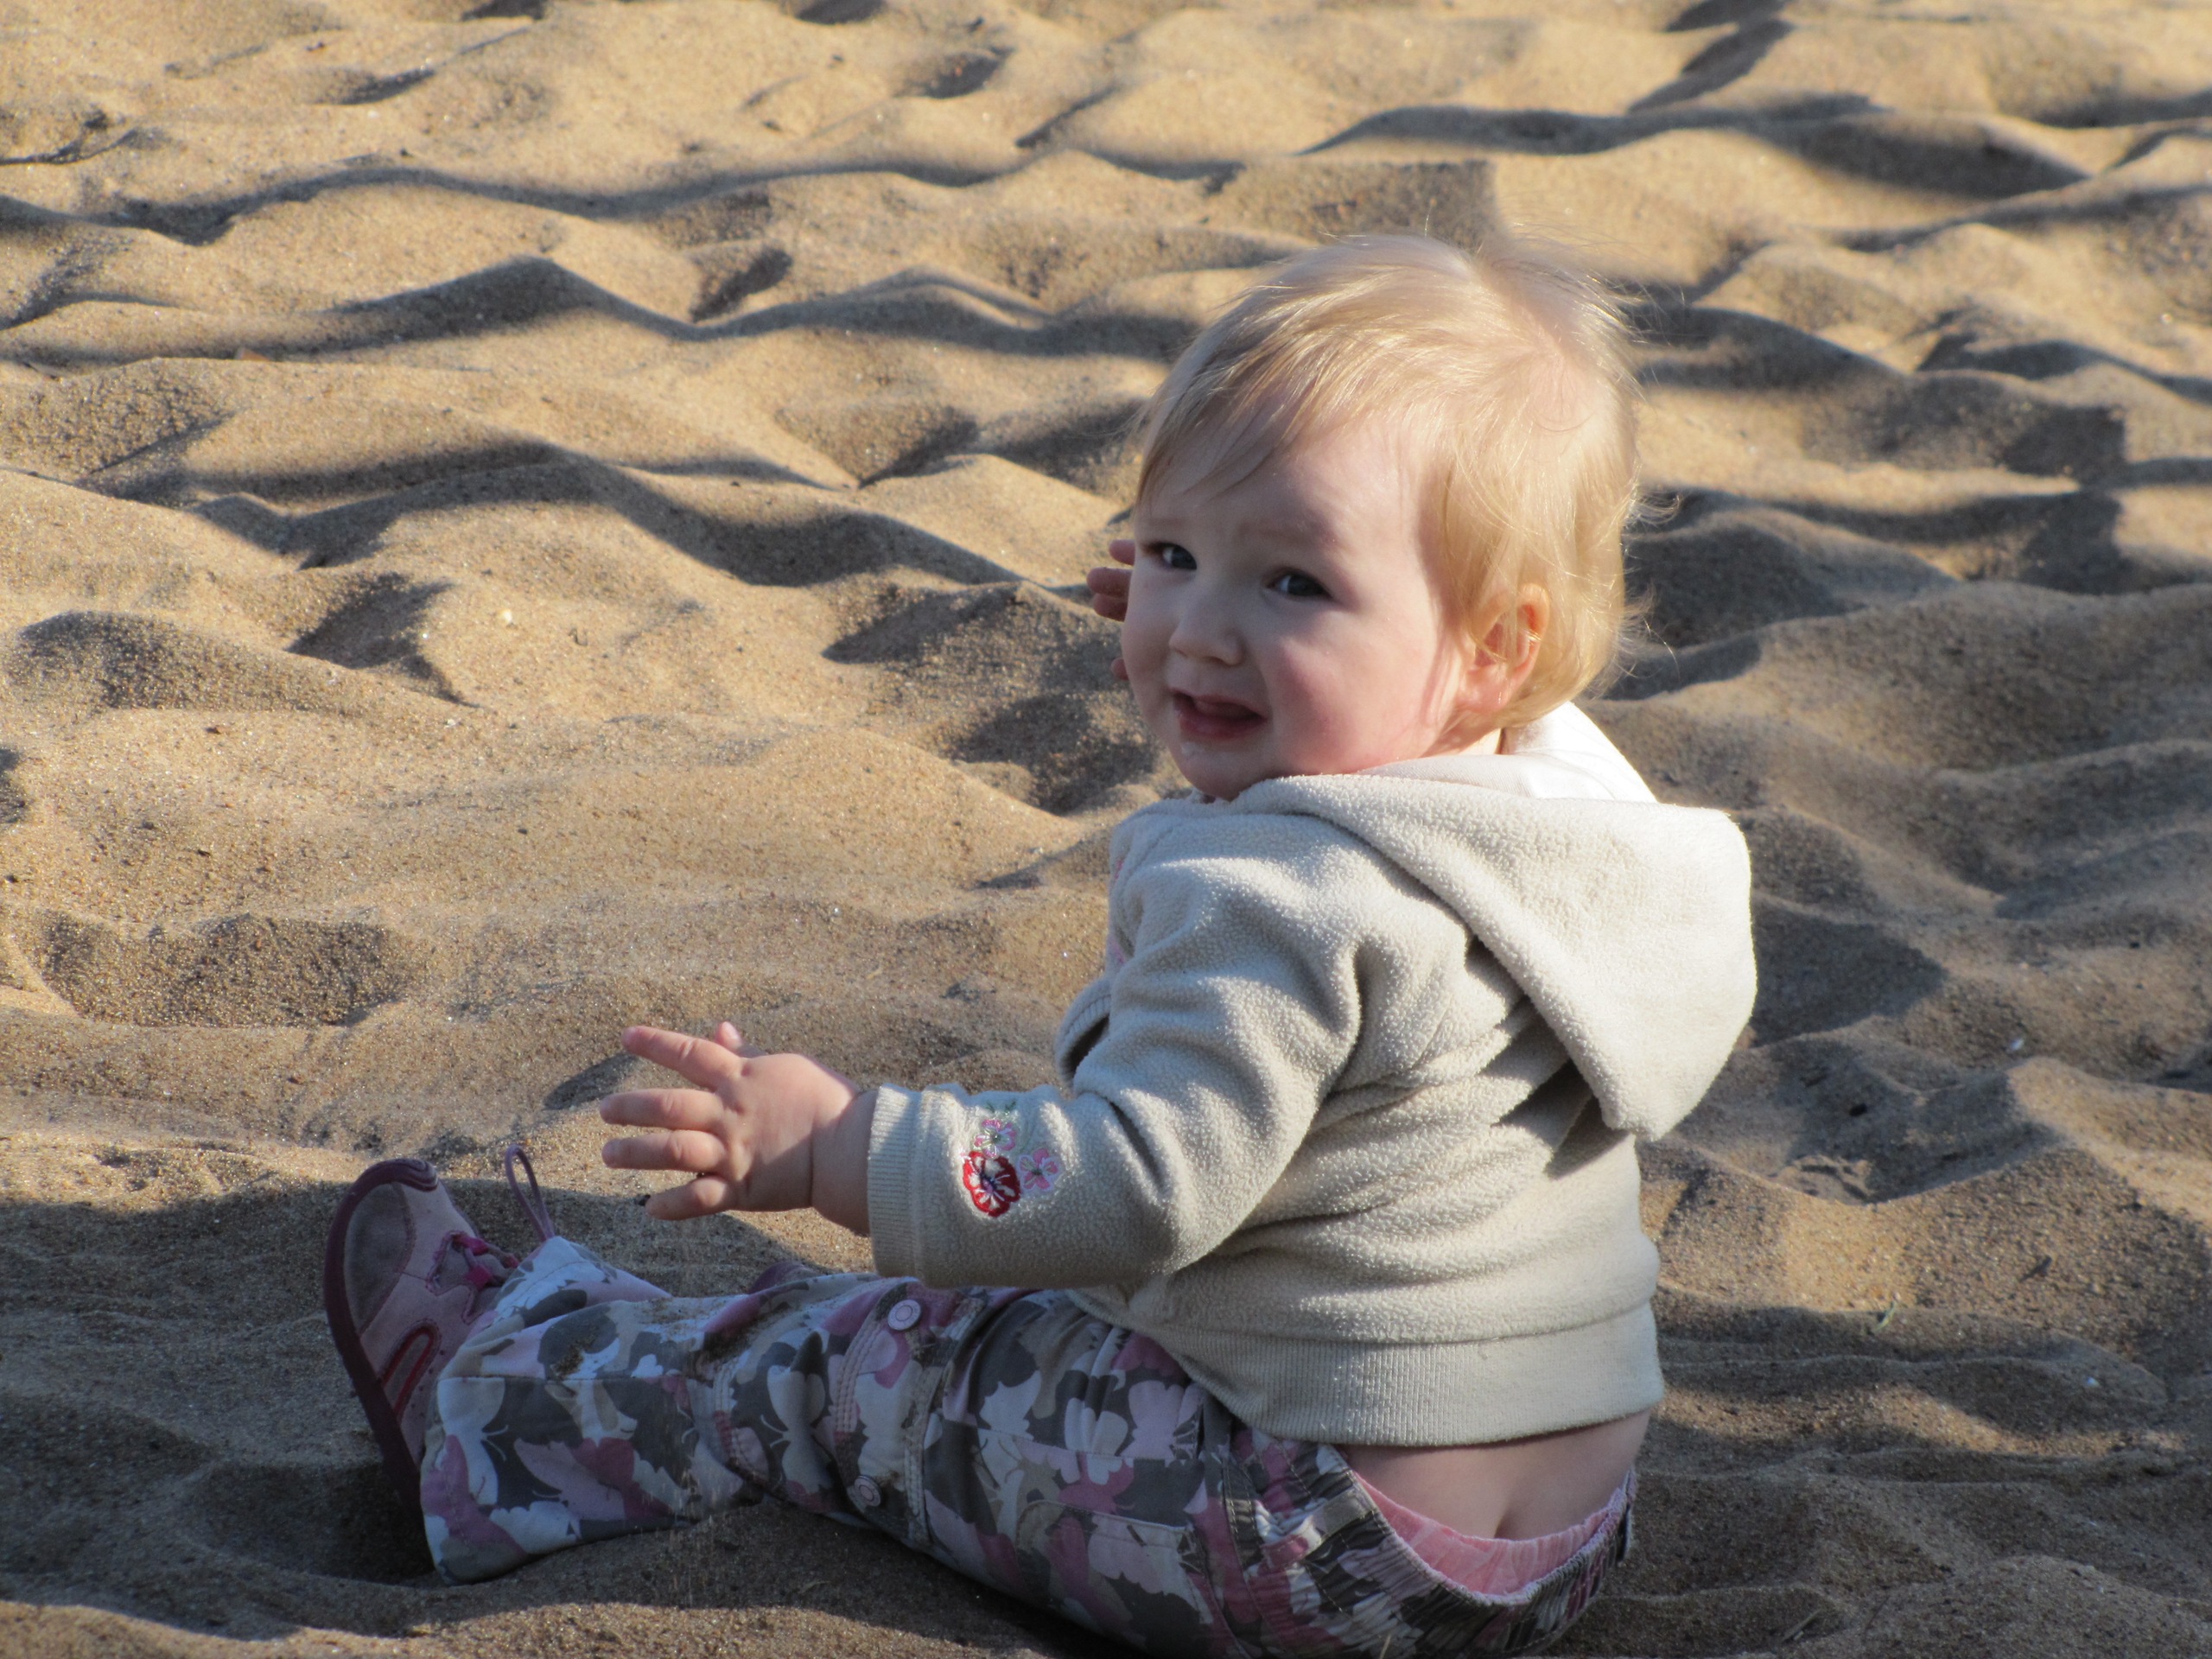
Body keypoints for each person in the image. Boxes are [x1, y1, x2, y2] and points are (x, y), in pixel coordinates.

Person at [324, 232, 1756, 1657]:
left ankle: (502, 1415)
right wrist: (1251, 590)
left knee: (868, 1366)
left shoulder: (1281, 894)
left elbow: (1136, 1186)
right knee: (988, 1325)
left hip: (1297, 1537)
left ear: (1495, 648)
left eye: (1294, 585)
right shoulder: (1562, 828)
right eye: (1174, 555)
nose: (1198, 633)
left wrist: (843, 1145)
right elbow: (1414, 664)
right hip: (1549, 1551)